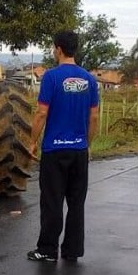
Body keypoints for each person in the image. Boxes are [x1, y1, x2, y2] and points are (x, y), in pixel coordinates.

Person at [27, 30, 100, 262]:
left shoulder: (51, 77)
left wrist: (32, 142)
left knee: (52, 201)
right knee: (76, 203)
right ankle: (72, 251)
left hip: (54, 150)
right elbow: (94, 117)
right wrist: (86, 144)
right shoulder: (89, 79)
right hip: (78, 151)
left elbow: (41, 113)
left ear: (58, 48)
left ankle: (48, 250)